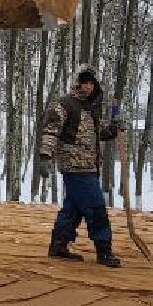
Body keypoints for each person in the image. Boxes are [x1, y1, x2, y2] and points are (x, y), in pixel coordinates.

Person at [37, 66, 123, 266]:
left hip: (89, 166)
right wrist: (45, 156)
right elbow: (51, 131)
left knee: (73, 209)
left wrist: (114, 125)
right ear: (77, 83)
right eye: (85, 82)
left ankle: (58, 245)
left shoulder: (90, 108)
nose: (89, 87)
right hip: (75, 167)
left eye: (92, 84)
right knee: (96, 208)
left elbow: (100, 133)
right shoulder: (63, 104)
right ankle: (104, 250)